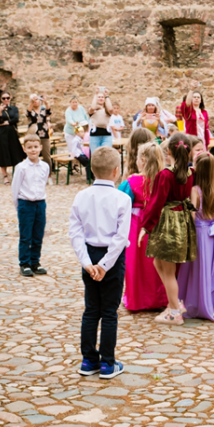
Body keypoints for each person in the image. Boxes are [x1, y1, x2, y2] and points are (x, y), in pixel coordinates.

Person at [69, 146, 131, 379]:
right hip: (111, 259)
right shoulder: (122, 199)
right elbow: (120, 237)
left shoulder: (81, 196)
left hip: (89, 255)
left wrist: (87, 263)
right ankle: (107, 362)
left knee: (91, 310)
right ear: (117, 171)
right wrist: (105, 265)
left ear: (92, 170)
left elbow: (75, 232)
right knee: (109, 312)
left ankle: (88, 360)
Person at [139, 133, 196, 325]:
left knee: (168, 270)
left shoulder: (165, 175)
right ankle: (175, 303)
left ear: (169, 151)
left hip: (169, 223)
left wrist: (146, 227)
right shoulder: (189, 173)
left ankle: (174, 312)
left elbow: (156, 203)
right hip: (182, 221)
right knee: (158, 262)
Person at [177, 153, 214, 320]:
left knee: (198, 270)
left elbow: (192, 215)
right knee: (210, 268)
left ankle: (197, 303)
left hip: (199, 233)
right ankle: (212, 302)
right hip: (211, 233)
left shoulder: (195, 190)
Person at [118, 142, 168, 312]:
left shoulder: (132, 181)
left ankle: (137, 300)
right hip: (159, 224)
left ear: (143, 161)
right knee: (157, 263)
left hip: (137, 226)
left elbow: (120, 203)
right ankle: (159, 298)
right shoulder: (164, 179)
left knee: (135, 262)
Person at [13, 135, 50, 278]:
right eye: (29, 147)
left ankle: (35, 261)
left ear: (40, 148)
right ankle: (24, 263)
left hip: (40, 203)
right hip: (25, 203)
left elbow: (43, 183)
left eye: (35, 147)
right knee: (25, 235)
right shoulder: (21, 167)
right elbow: (15, 187)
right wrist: (18, 206)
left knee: (38, 234)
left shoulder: (45, 166)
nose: (33, 150)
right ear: (24, 149)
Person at [0, 92, 25, 185]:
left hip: (12, 133)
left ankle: (17, 175)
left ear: (10, 98)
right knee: (3, 154)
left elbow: (16, 119)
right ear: (1, 99)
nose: (6, 100)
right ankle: (5, 176)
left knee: (16, 153)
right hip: (2, 134)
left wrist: (6, 122)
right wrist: (0, 112)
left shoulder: (14, 108)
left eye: (7, 98)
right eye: (4, 98)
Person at [26, 93, 53, 173]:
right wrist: (31, 101)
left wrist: (46, 102)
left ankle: (49, 174)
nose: (36, 101)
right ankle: (33, 172)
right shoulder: (31, 110)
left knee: (47, 156)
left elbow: (49, 112)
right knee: (33, 155)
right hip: (33, 136)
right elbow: (28, 113)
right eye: (34, 100)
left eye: (37, 99)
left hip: (44, 134)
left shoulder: (43, 109)